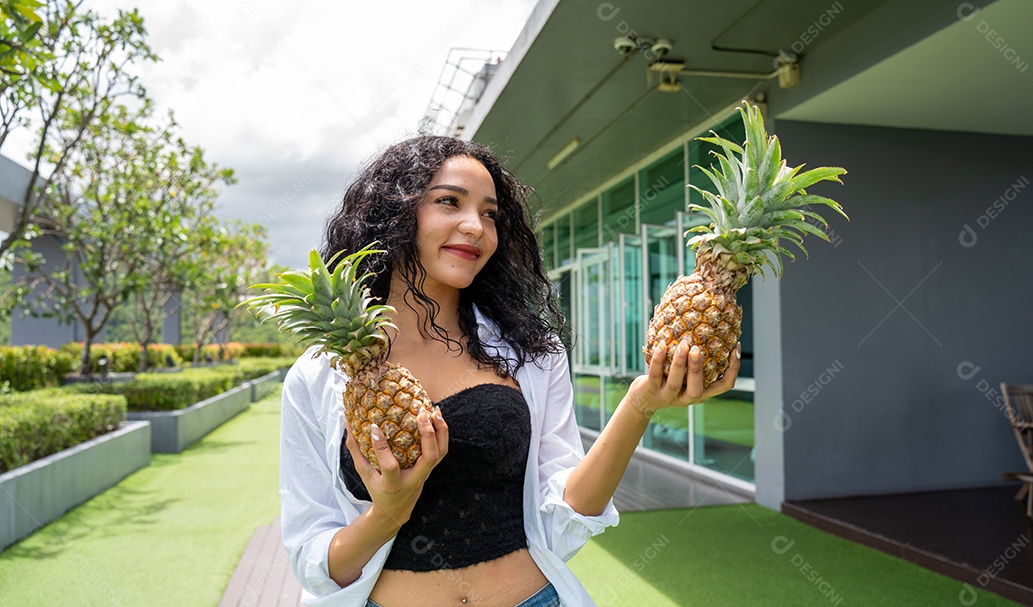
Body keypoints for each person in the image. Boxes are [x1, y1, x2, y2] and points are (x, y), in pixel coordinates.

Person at [280, 135, 741, 607]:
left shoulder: (532, 352)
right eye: (449, 202)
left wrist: (640, 403)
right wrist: (387, 515)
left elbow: (565, 518)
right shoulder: (317, 377)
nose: (476, 227)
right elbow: (314, 560)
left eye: (490, 214)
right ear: (394, 213)